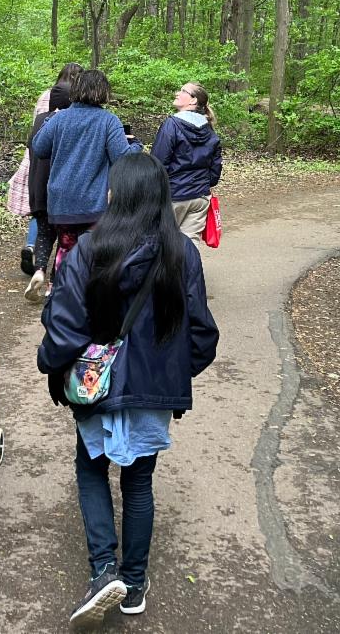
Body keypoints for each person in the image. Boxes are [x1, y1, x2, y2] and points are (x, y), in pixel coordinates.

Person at [37, 152, 219, 629]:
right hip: (152, 393)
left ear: (115, 194)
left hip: (95, 388)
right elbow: (202, 335)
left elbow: (63, 330)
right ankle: (133, 584)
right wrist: (171, 374)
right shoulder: (183, 253)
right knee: (139, 481)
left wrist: (51, 367)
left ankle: (103, 571)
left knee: (91, 470)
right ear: (161, 195)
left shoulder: (89, 250)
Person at [30, 69, 141, 273]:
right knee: (94, 259)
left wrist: (48, 121)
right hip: (93, 204)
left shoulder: (59, 118)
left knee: (66, 254)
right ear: (104, 92)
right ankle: (89, 299)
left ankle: (61, 296)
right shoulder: (109, 121)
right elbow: (122, 159)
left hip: (61, 202)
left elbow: (38, 148)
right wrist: (136, 145)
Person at [7, 63, 84, 274]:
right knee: (61, 220)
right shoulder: (76, 102)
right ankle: (55, 275)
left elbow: (36, 126)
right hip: (58, 158)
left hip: (37, 155)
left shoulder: (45, 95)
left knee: (40, 208)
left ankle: (32, 248)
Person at [150, 82, 222, 240]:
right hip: (200, 198)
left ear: (193, 101)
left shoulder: (171, 125)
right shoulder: (209, 129)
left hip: (173, 196)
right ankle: (190, 266)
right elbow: (214, 173)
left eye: (183, 91)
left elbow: (157, 164)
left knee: (163, 244)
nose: (177, 93)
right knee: (190, 245)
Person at [24, 84, 72, 302]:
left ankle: (39, 270)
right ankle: (53, 283)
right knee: (64, 238)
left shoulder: (40, 119)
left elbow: (30, 146)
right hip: (58, 189)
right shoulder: (67, 123)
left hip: (37, 186)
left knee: (43, 233)